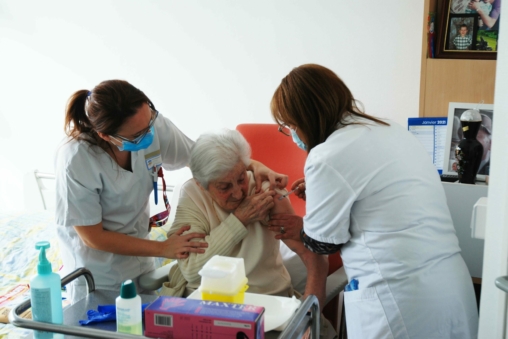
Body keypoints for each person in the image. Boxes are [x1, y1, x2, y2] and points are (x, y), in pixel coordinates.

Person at [267, 64, 479, 339]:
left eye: (291, 126)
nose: (292, 133)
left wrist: (300, 227)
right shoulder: (390, 128)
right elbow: (376, 191)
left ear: (306, 118)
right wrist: (325, 192)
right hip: (450, 284)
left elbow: (323, 243)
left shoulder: (327, 156)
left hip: (401, 300)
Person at [55, 80, 287, 303]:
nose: (150, 134)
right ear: (106, 136)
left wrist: (256, 165)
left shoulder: (151, 125)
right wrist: (162, 248)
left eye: (150, 123)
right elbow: (92, 237)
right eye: (137, 136)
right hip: (100, 271)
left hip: (141, 259)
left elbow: (206, 158)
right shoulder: (76, 160)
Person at [163, 129, 336, 338]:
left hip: (268, 307)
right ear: (202, 184)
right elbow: (192, 269)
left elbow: (313, 257)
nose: (238, 192)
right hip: (205, 309)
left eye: (241, 178)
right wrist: (239, 220)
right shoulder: (191, 194)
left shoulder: (267, 192)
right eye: (225, 186)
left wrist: (308, 319)